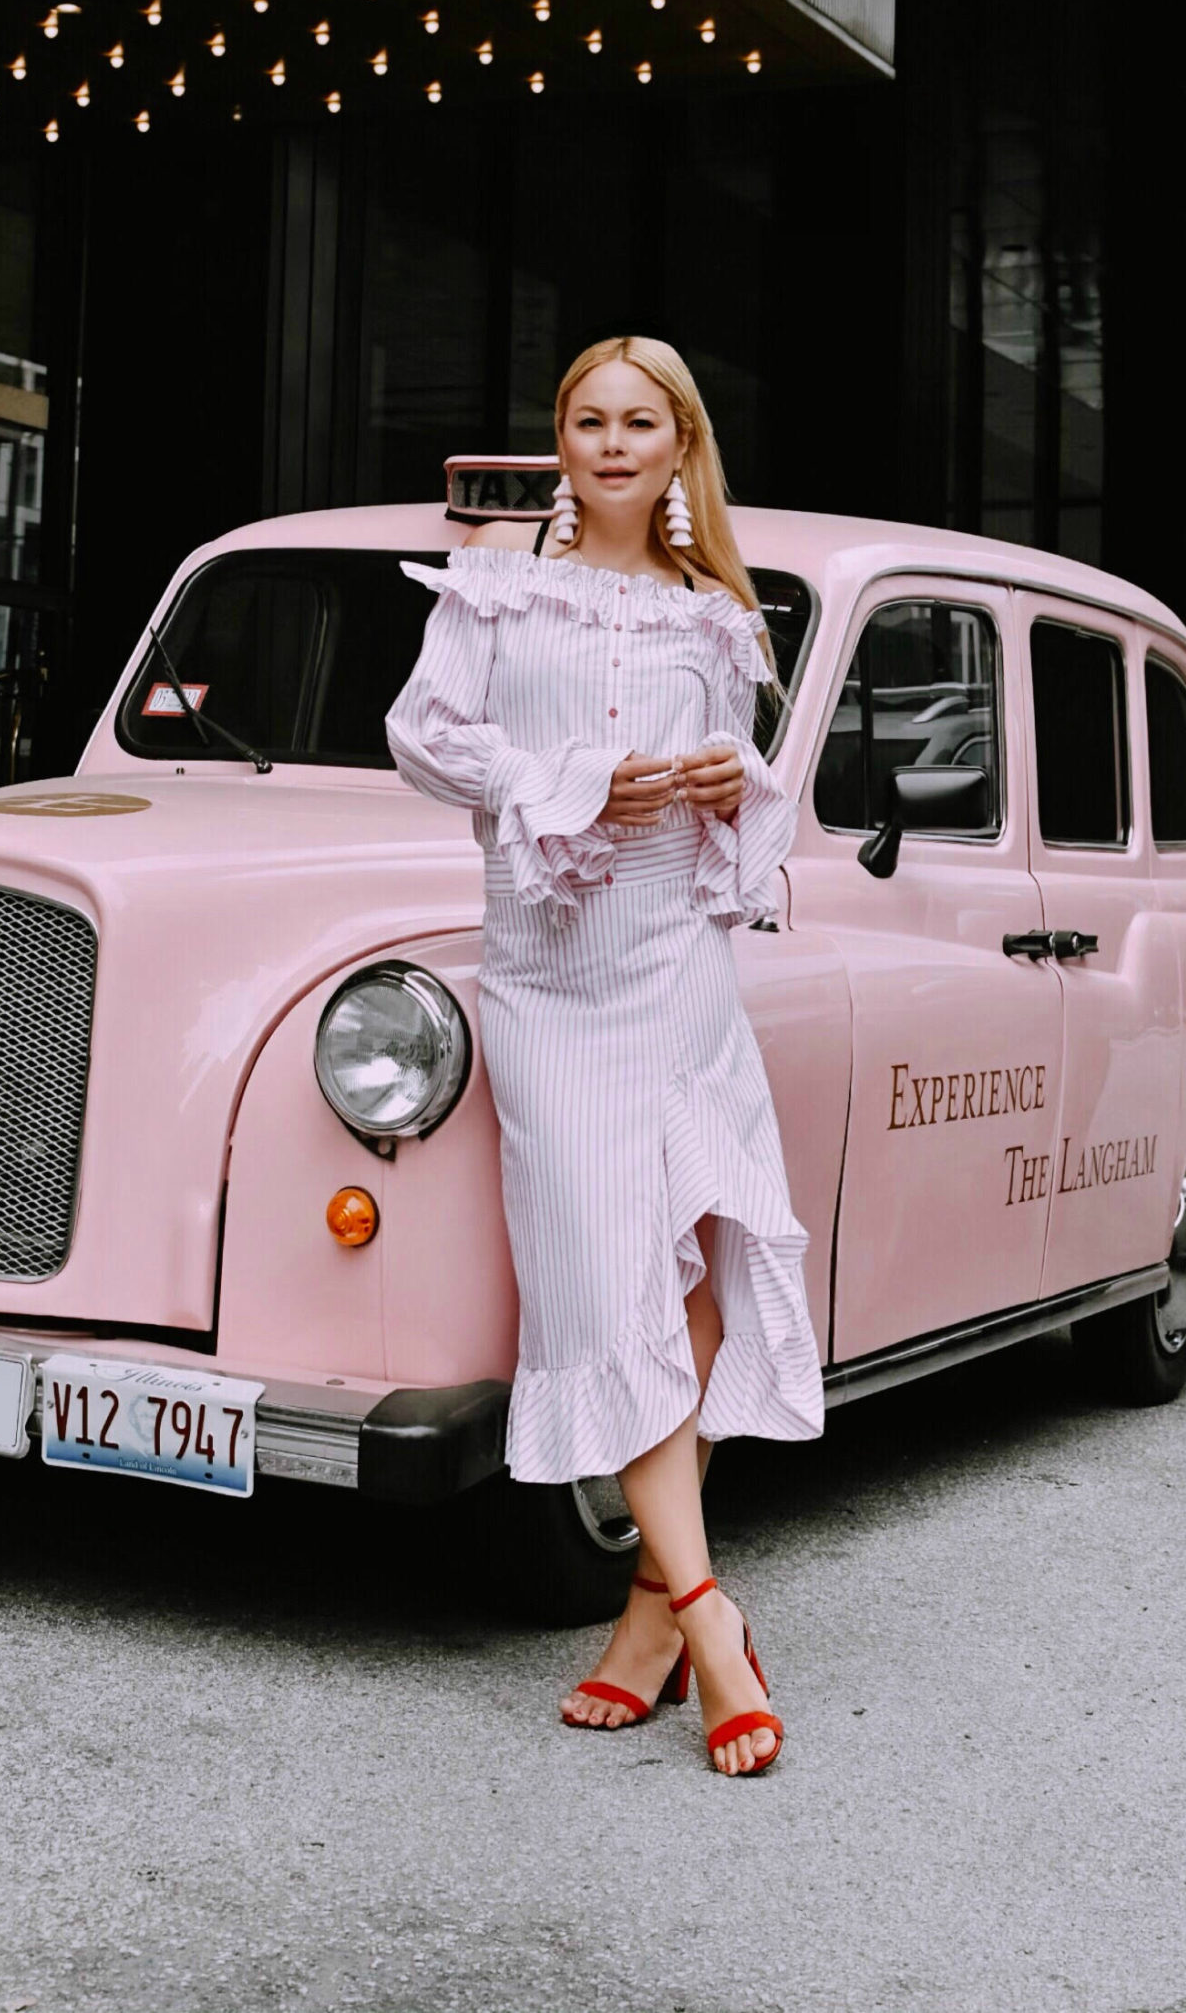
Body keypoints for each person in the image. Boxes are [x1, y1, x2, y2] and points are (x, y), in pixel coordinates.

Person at [386, 337, 824, 1775]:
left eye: (643, 422)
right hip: (548, 973)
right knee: (593, 1265)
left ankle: (652, 1613)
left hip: (676, 963)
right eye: (591, 419)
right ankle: (710, 1613)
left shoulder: (717, 616)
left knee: (688, 1265)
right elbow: (423, 735)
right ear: (561, 439)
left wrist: (725, 777)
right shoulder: (498, 580)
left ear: (682, 443)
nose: (615, 443)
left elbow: (755, 811)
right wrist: (566, 777)